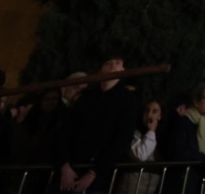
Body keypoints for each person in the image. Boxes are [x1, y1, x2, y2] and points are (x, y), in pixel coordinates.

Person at [59, 58, 142, 194]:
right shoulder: (86, 97)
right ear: (100, 71)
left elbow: (122, 139)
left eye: (117, 62)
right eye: (108, 63)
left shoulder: (127, 100)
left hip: (98, 180)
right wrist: (64, 164)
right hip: (69, 173)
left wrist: (94, 172)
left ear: (123, 70)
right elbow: (66, 130)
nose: (112, 64)